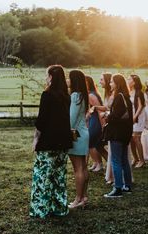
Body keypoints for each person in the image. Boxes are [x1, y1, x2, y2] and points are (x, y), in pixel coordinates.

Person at [30, 65, 74, 218]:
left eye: (47, 75)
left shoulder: (47, 95)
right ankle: (59, 207)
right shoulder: (66, 96)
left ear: (51, 77)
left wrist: (36, 139)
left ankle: (41, 208)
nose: (45, 78)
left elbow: (41, 120)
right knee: (58, 175)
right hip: (63, 141)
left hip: (48, 141)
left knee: (43, 175)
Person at [103, 73, 133, 198]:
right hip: (125, 132)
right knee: (124, 159)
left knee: (116, 160)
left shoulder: (119, 98)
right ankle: (127, 185)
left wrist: (107, 116)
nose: (110, 84)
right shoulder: (126, 97)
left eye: (111, 82)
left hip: (117, 133)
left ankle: (118, 188)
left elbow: (115, 117)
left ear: (117, 83)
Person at [68, 69, 90, 209]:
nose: (67, 80)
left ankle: (78, 199)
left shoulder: (75, 95)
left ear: (74, 80)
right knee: (83, 167)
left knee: (78, 169)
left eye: (69, 78)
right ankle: (84, 197)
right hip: (83, 133)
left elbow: (71, 119)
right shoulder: (83, 95)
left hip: (76, 135)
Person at [86, 75, 107, 172]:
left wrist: (103, 125)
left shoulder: (91, 95)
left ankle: (99, 164)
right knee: (91, 142)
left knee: (92, 142)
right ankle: (95, 162)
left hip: (96, 121)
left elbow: (99, 110)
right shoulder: (89, 93)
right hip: (92, 120)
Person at [128, 74, 146, 168]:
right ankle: (135, 158)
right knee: (131, 139)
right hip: (130, 118)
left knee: (136, 138)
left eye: (129, 79)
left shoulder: (139, 92)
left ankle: (142, 160)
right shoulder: (129, 92)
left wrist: (135, 117)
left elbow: (140, 106)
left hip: (138, 118)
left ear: (134, 82)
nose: (127, 80)